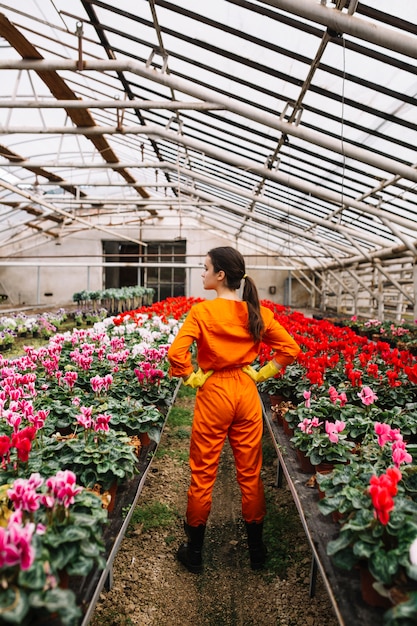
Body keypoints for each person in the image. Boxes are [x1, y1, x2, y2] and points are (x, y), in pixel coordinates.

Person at [167, 246, 300, 573]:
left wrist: (192, 378)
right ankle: (257, 551)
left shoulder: (202, 313)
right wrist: (261, 372)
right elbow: (290, 349)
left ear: (220, 275)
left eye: (205, 268)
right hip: (245, 391)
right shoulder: (257, 313)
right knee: (250, 473)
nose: (202, 273)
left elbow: (176, 354)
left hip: (214, 393)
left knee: (202, 473)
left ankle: (194, 553)